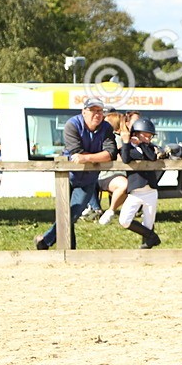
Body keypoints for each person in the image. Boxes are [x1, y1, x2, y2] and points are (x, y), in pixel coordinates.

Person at [36, 97, 117, 250]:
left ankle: (46, 241)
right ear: (84, 112)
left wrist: (87, 158)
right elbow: (75, 152)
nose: (97, 114)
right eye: (93, 110)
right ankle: (69, 248)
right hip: (67, 176)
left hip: (89, 179)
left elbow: (110, 153)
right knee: (64, 212)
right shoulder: (72, 124)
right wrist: (96, 157)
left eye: (100, 111)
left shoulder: (106, 128)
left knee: (74, 211)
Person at [118, 117, 163, 249]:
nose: (148, 139)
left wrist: (142, 144)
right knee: (124, 220)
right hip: (136, 191)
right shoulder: (128, 148)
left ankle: (147, 245)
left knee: (149, 222)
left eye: (150, 137)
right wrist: (127, 142)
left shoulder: (148, 148)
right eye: (146, 136)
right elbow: (126, 158)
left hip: (150, 190)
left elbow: (152, 157)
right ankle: (153, 237)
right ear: (136, 133)